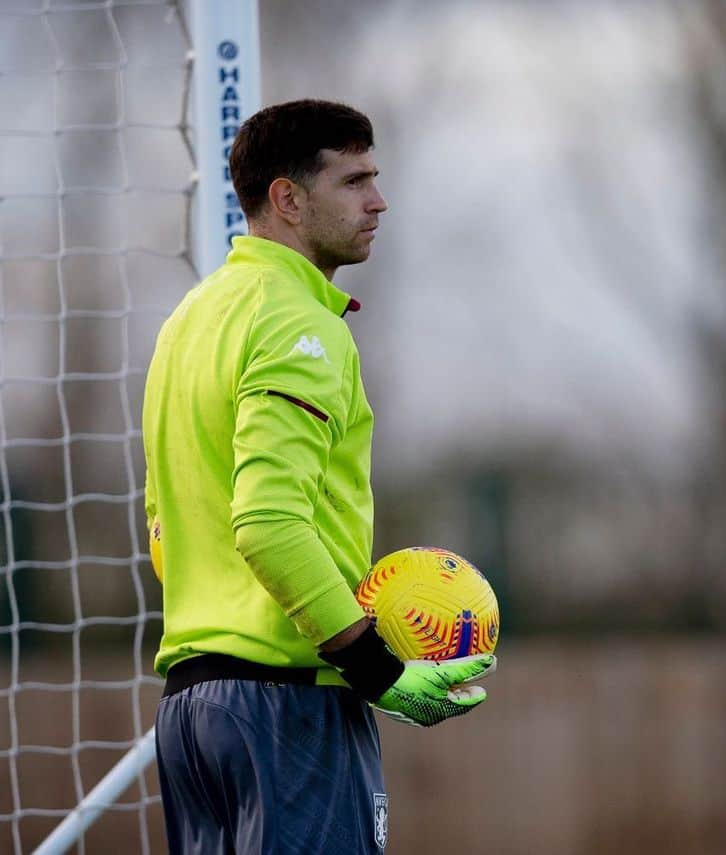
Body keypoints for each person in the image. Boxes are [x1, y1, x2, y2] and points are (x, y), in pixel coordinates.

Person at [143, 99, 496, 855]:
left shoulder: (187, 322)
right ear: (288, 199)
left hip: (191, 715)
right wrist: (379, 670)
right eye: (354, 180)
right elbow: (267, 522)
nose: (379, 200)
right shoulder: (300, 326)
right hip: (285, 707)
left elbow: (165, 536)